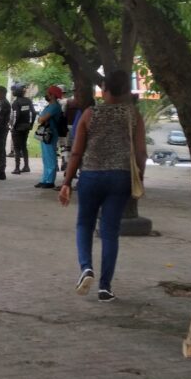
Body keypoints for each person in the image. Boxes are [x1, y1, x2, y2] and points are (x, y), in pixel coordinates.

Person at [59, 70, 147, 302]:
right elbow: (140, 152)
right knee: (110, 231)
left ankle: (86, 268)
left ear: (104, 90)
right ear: (127, 91)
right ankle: (105, 288)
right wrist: (140, 179)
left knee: (84, 225)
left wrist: (66, 182)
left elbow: (76, 151)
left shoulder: (90, 114)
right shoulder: (133, 115)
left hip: (91, 176)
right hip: (120, 178)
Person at [35, 85, 63, 188]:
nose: (46, 95)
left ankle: (50, 181)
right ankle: (45, 179)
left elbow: (41, 119)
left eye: (48, 93)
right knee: (46, 157)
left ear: (52, 95)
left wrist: (41, 118)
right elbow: (40, 119)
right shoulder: (50, 106)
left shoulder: (55, 106)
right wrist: (41, 118)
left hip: (50, 134)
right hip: (46, 134)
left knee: (50, 157)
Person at [10, 83, 34, 174]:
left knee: (16, 147)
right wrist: (31, 124)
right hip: (26, 126)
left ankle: (17, 168)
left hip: (18, 127)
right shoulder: (28, 101)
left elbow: (16, 115)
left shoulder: (16, 103)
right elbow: (34, 113)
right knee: (24, 146)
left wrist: (13, 126)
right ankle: (26, 166)